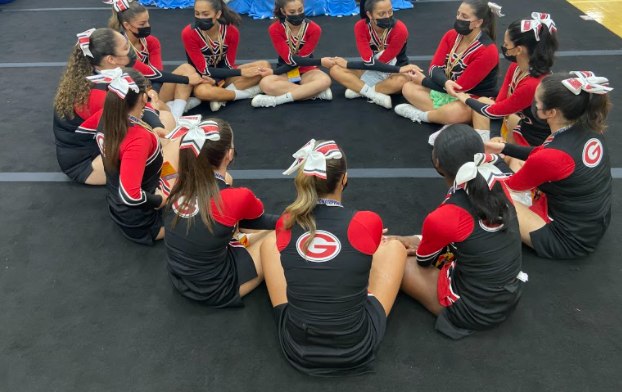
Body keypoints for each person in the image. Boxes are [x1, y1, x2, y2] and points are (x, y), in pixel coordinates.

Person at [260, 139, 407, 376]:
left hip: (298, 347)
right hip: (355, 347)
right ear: (344, 178)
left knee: (269, 244)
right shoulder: (367, 221)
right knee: (395, 248)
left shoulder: (285, 223)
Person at [390, 125, 526, 340]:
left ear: (437, 163)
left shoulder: (446, 215)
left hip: (473, 311)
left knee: (392, 256)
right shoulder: (496, 181)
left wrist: (400, 246)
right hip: (508, 295)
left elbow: (425, 261)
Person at [487, 72, 614, 260]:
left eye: (537, 103)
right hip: (590, 223)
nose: (534, 105)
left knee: (489, 195)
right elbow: (543, 154)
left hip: (567, 239)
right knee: (514, 161)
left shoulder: (553, 154)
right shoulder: (589, 128)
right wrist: (505, 148)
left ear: (551, 112)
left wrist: (490, 163)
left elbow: (510, 185)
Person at [164, 116, 277, 306]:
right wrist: (296, 219)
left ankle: (235, 241)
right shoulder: (238, 197)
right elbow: (259, 220)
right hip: (215, 288)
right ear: (229, 155)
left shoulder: (179, 182)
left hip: (180, 277)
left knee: (227, 210)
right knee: (274, 238)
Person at [93, 68, 174, 245]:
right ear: (144, 98)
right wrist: (160, 200)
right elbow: (131, 195)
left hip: (119, 208)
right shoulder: (138, 139)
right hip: (144, 221)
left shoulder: (108, 117)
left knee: (174, 150)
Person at [395, 0, 503, 128]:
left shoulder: (487, 50)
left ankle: (422, 116)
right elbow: (434, 68)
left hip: (471, 99)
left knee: (454, 112)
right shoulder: (451, 35)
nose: (458, 18)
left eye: (464, 16)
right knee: (408, 87)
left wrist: (424, 81)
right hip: (445, 88)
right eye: (458, 14)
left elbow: (460, 88)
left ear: (478, 22)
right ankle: (442, 118)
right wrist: (445, 82)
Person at [454, 13, 558, 146]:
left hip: (535, 143)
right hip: (522, 127)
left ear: (518, 50)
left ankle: (489, 148)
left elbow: (494, 111)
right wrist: (495, 135)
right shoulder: (516, 67)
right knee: (484, 101)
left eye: (506, 44)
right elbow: (499, 105)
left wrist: (465, 98)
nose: (503, 47)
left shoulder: (534, 84)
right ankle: (488, 144)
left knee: (483, 108)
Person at [105, 0, 201, 118]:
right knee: (158, 105)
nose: (148, 26)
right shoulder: (121, 49)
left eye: (147, 22)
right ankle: (177, 109)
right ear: (127, 25)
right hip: (131, 95)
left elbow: (158, 72)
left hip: (150, 89)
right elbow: (150, 72)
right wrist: (187, 80)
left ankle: (175, 111)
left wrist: (154, 91)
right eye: (142, 24)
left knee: (187, 68)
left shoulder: (151, 41)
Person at [53, 29, 128, 186]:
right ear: (111, 59)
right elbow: (127, 128)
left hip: (94, 148)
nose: (130, 51)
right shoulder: (96, 94)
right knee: (153, 146)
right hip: (88, 166)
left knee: (163, 123)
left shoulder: (99, 75)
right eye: (126, 48)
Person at [182, 0, 269, 112]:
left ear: (218, 14)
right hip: (202, 79)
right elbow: (203, 70)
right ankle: (244, 93)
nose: (200, 18)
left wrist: (218, 82)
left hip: (224, 74)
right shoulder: (189, 33)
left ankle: (219, 96)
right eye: (197, 14)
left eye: (205, 14)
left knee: (264, 66)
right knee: (203, 91)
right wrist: (241, 73)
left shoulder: (231, 31)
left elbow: (228, 65)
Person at [252, 0, 334, 108]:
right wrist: (321, 61)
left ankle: (277, 100)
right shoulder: (275, 29)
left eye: (300, 10)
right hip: (284, 70)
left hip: (307, 69)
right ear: (283, 11)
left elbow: (302, 59)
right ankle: (312, 93)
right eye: (292, 11)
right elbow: (290, 60)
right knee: (265, 84)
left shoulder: (314, 29)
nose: (297, 14)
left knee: (325, 80)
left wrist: (274, 73)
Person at [329, 0, 410, 109]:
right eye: (381, 14)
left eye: (390, 11)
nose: (387, 16)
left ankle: (360, 89)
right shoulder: (360, 26)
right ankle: (373, 94)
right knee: (335, 69)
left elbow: (383, 62)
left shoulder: (400, 29)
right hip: (369, 69)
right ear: (370, 14)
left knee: (402, 81)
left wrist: (347, 64)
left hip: (395, 70)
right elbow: (368, 60)